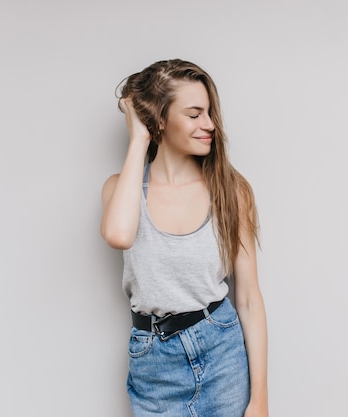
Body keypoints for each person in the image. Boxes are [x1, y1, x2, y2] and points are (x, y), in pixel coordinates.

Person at [100, 59, 268, 417]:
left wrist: (260, 399)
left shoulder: (231, 191)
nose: (209, 125)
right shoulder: (120, 190)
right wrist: (140, 137)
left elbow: (250, 298)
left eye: (209, 113)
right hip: (155, 368)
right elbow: (118, 234)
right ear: (160, 120)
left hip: (222, 354)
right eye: (194, 114)